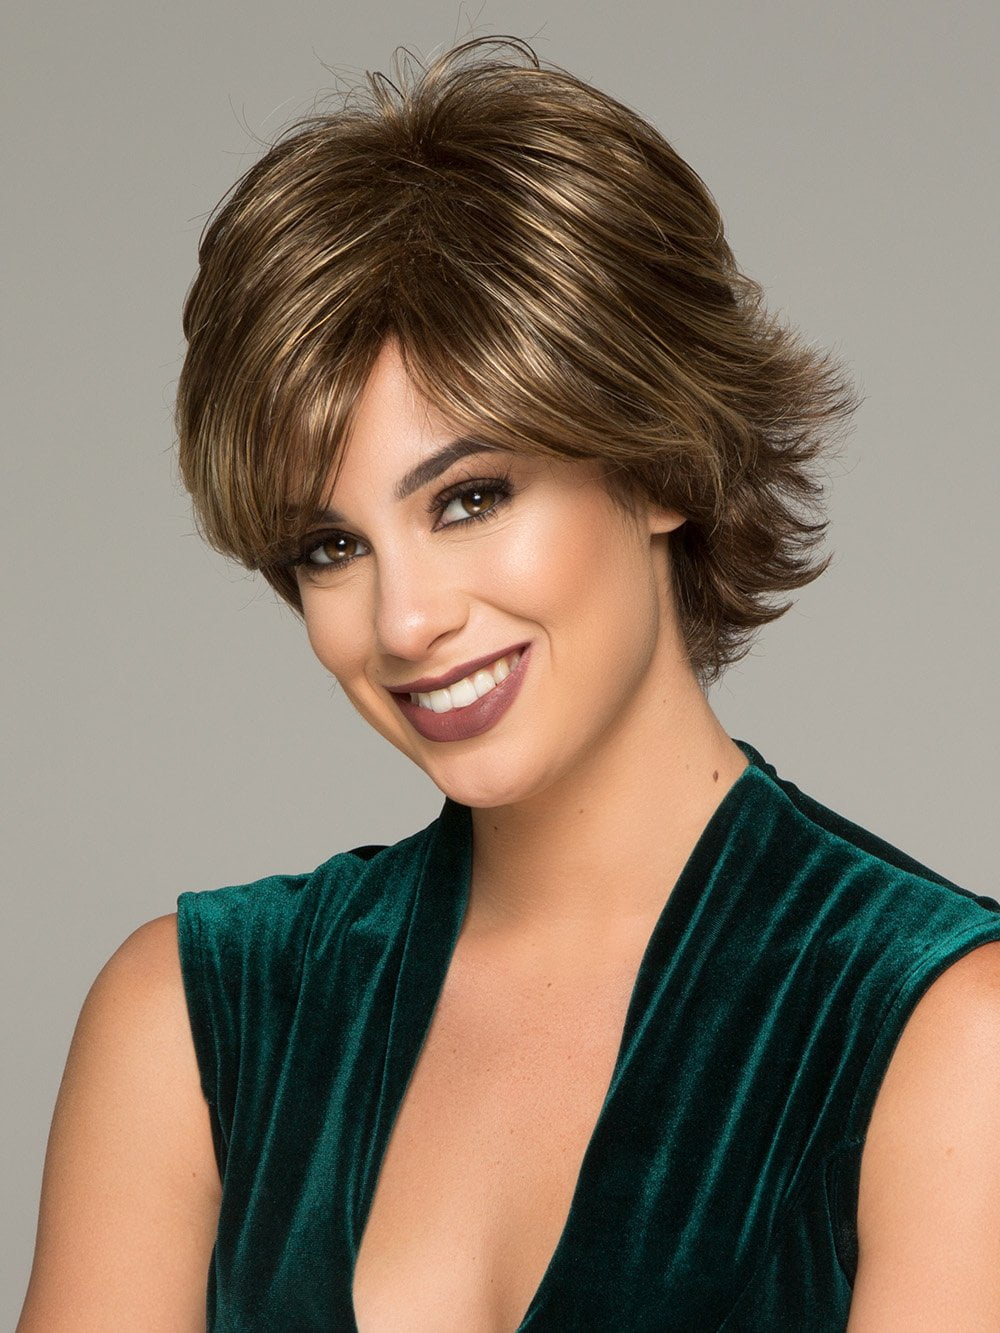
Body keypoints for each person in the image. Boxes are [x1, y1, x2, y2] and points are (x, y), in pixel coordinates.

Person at [18, 34, 1000, 1332]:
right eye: (331, 546)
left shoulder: (945, 1034)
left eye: (470, 498)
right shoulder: (194, 1025)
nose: (406, 619)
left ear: (657, 460)